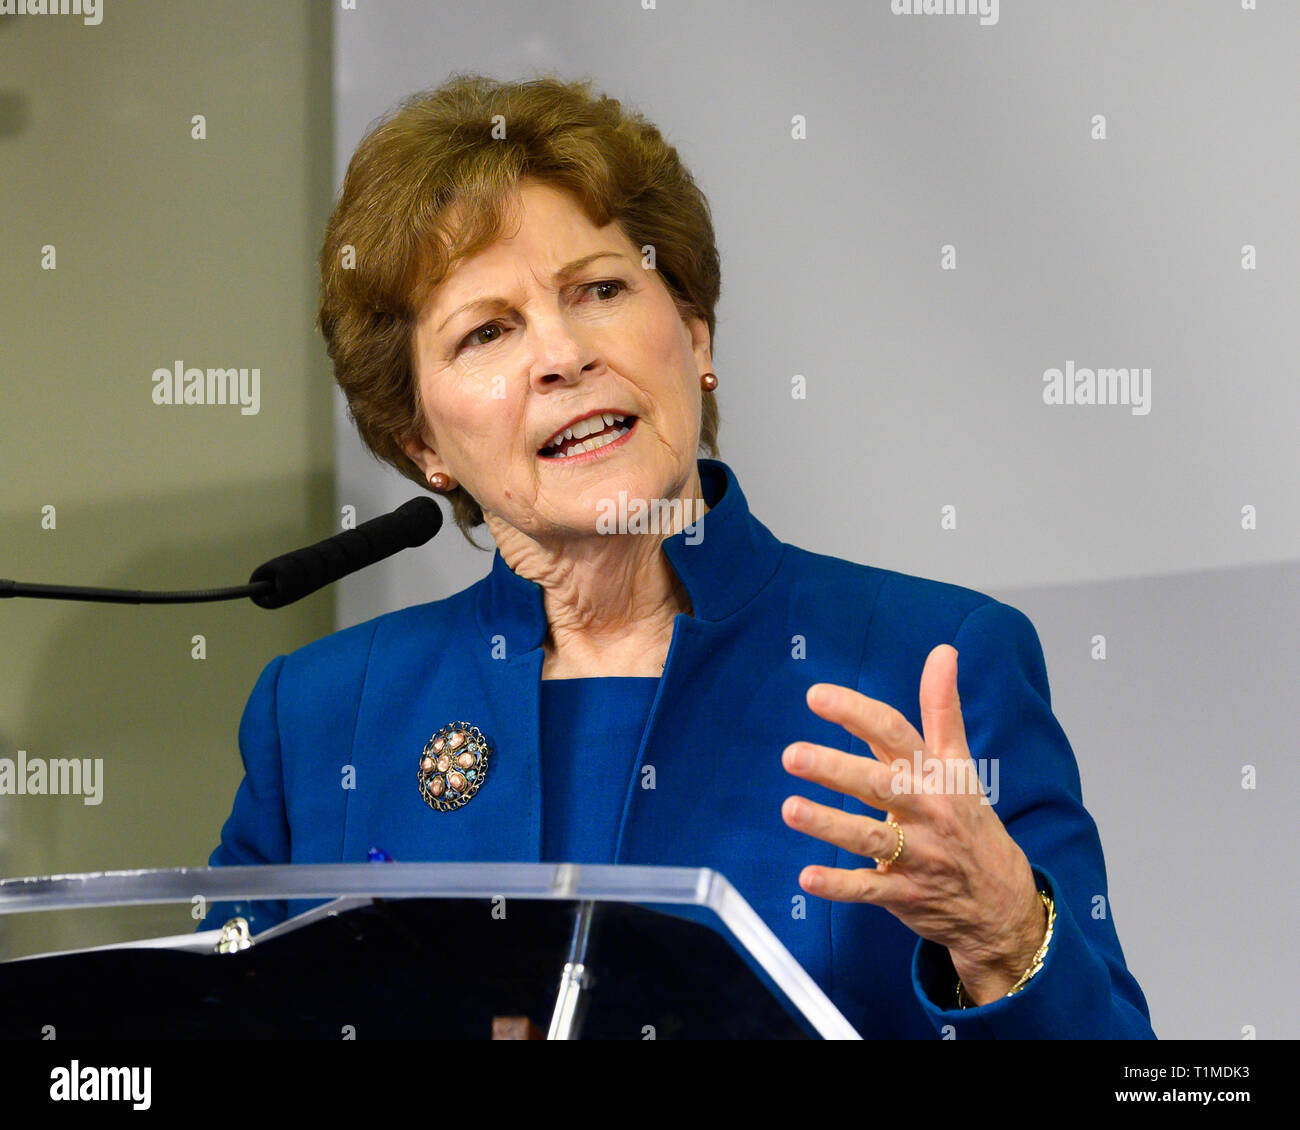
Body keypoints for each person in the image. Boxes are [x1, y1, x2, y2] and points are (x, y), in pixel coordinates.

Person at [204, 73, 1155, 1039]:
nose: (562, 354)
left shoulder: (931, 663)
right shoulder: (323, 720)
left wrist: (1004, 939)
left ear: (694, 334)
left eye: (601, 290)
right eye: (487, 331)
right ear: (422, 444)